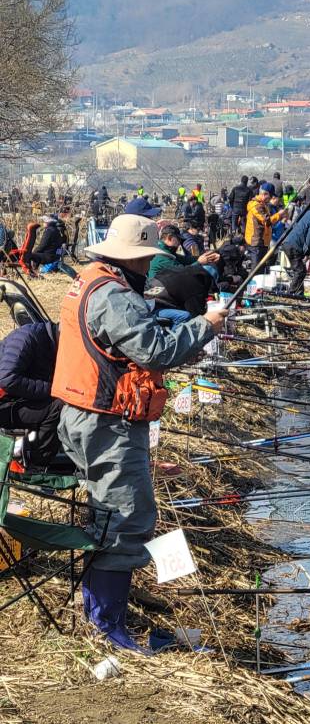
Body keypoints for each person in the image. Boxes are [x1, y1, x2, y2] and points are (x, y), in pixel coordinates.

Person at [51, 214, 227, 650]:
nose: (150, 267)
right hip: (105, 421)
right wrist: (206, 325)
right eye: (148, 259)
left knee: (107, 516)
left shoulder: (89, 280)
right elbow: (156, 352)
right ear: (137, 258)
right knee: (126, 520)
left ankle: (102, 616)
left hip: (81, 414)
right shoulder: (114, 294)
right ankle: (107, 628)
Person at [0, 322, 61, 466]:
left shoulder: (49, 343)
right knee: (59, 405)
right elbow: (7, 378)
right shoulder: (28, 336)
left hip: (10, 399)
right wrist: (52, 389)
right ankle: (35, 464)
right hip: (3, 403)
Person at [146, 265, 215, 328]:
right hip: (151, 309)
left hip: (145, 299)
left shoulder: (182, 270)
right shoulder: (194, 285)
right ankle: (174, 339)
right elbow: (196, 315)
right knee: (184, 316)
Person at [282, 200, 310, 295]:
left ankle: (299, 293)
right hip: (294, 245)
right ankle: (291, 293)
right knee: (300, 271)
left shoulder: (308, 213)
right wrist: (306, 253)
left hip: (288, 242)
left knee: (300, 270)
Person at [148, 223, 219, 282]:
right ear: (169, 238)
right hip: (158, 290)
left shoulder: (165, 249)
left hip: (166, 283)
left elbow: (185, 259)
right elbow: (182, 272)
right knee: (207, 270)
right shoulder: (161, 255)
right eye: (178, 240)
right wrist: (199, 262)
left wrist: (207, 257)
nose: (179, 243)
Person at [244, 182, 286, 273]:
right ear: (265, 194)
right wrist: (279, 215)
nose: (271, 199)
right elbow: (267, 221)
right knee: (256, 270)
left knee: (261, 268)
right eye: (270, 196)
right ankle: (251, 286)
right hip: (256, 242)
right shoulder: (256, 206)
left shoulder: (263, 204)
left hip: (262, 242)